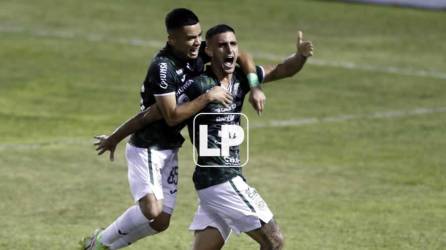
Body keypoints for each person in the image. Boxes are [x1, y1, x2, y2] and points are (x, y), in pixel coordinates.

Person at [82, 8, 265, 250]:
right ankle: (100, 241)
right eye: (190, 38)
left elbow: (243, 56)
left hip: (169, 147)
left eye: (198, 36)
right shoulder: (163, 67)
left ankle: (100, 246)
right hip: (148, 146)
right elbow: (169, 116)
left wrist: (254, 87)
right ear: (172, 39)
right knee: (152, 210)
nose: (197, 43)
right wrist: (208, 96)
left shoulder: (197, 51)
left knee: (160, 222)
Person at [184, 24, 313, 249]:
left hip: (214, 182)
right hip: (220, 178)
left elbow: (284, 69)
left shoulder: (241, 79)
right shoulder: (199, 85)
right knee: (274, 242)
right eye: (222, 45)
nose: (230, 50)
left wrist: (300, 56)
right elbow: (167, 112)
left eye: (233, 44)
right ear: (209, 51)